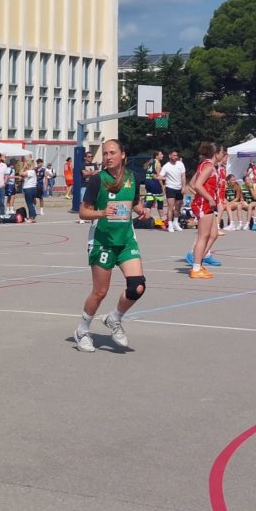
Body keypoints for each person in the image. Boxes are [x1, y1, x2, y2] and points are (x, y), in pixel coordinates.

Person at [73, 139, 149, 352]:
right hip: (102, 241)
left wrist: (141, 209)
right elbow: (83, 212)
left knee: (137, 286)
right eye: (105, 153)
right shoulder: (98, 180)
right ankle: (82, 330)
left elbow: (135, 202)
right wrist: (101, 212)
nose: (108, 157)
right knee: (100, 292)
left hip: (126, 240)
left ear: (123, 155)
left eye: (112, 152)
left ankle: (114, 318)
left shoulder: (132, 177)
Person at [186, 143, 220, 278]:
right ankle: (196, 268)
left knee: (213, 234)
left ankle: (198, 264)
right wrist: (208, 197)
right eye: (222, 152)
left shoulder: (205, 165)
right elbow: (198, 185)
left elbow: (192, 183)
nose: (224, 155)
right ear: (216, 154)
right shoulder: (208, 166)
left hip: (205, 203)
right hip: (204, 204)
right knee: (203, 236)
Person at [160, 150, 186, 232]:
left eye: (176, 155)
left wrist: (183, 187)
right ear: (170, 156)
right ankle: (170, 224)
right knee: (170, 207)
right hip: (170, 188)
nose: (176, 157)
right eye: (174, 155)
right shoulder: (166, 166)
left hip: (179, 188)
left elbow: (183, 176)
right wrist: (158, 178)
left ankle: (175, 222)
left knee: (178, 207)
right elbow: (160, 176)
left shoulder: (180, 164)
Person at [77, 152, 100, 224]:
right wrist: (93, 172)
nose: (90, 158)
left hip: (93, 186)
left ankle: (92, 217)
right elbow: (85, 174)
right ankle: (81, 218)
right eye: (89, 156)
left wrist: (90, 172)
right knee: (83, 202)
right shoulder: (82, 165)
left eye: (91, 156)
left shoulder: (94, 165)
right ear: (85, 157)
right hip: (84, 185)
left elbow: (98, 172)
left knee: (93, 202)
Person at [143, 151, 165, 220]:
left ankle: (146, 218)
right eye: (161, 154)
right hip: (154, 183)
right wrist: (162, 187)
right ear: (156, 156)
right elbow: (159, 177)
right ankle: (163, 219)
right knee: (160, 201)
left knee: (149, 201)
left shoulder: (151, 162)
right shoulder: (158, 163)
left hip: (148, 182)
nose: (162, 155)